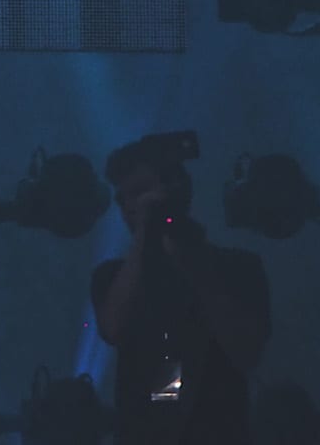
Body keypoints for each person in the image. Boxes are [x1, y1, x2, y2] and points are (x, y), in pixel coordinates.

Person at [92, 134, 272, 444]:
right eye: (124, 199)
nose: (132, 207)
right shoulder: (113, 276)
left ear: (177, 190)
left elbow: (246, 350)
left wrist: (194, 267)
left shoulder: (239, 267)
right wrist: (144, 240)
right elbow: (113, 328)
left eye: (141, 192)